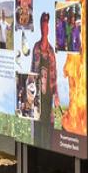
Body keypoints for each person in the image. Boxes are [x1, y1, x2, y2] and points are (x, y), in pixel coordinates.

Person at [32, 12, 59, 148]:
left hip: (48, 94)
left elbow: (55, 75)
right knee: (37, 123)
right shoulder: (36, 48)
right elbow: (32, 71)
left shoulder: (51, 51)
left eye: (47, 26)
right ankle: (36, 150)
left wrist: (56, 95)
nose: (45, 29)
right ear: (40, 28)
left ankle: (48, 151)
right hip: (38, 94)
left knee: (49, 125)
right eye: (43, 26)